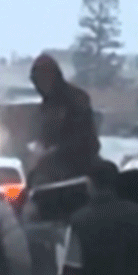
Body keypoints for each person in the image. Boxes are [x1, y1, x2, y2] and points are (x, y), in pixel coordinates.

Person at [29, 53, 101, 187]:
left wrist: (53, 153)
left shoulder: (76, 99)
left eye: (43, 78)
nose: (40, 84)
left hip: (79, 166)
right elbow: (43, 137)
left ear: (53, 76)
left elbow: (84, 138)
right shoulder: (46, 106)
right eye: (37, 81)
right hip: (53, 168)